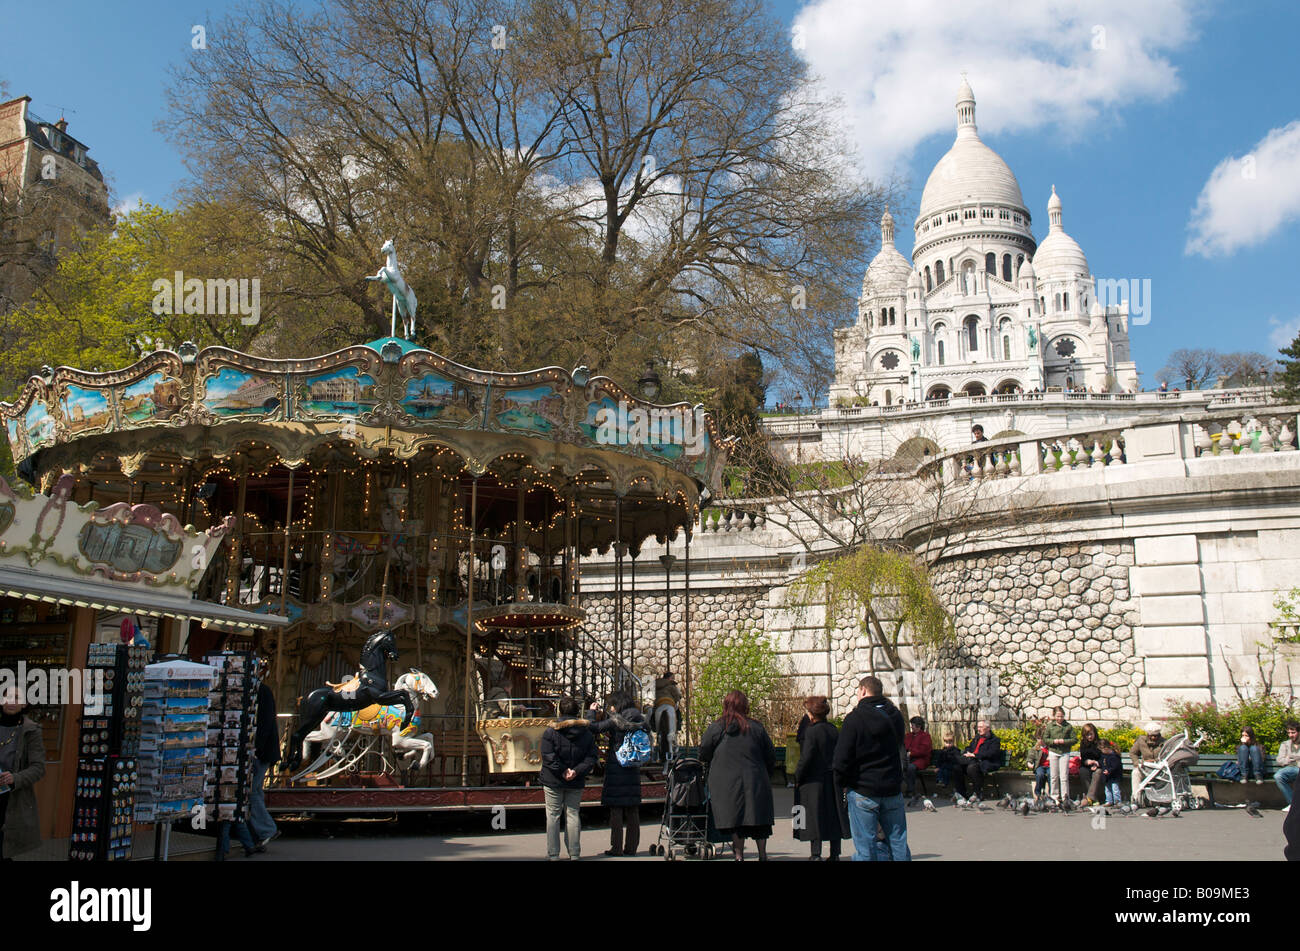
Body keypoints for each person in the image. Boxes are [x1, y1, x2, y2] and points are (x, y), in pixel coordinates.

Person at [832, 676, 909, 862]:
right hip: (891, 788)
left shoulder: (855, 718)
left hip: (863, 788)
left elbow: (841, 757)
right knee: (898, 842)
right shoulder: (895, 715)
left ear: (863, 691)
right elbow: (899, 745)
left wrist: (842, 782)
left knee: (866, 847)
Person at [699, 689, 776, 861]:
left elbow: (704, 751)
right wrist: (766, 774)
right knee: (759, 818)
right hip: (755, 780)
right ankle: (762, 854)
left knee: (735, 819)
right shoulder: (756, 727)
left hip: (726, 783)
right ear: (745, 706)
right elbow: (770, 755)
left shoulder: (717, 727)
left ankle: (739, 855)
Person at [586, 689, 648, 856]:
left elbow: (594, 728)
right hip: (633, 765)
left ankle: (617, 847)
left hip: (617, 765)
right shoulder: (640, 719)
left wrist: (591, 712)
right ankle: (631, 847)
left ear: (617, 704)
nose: (611, 708)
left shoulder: (616, 720)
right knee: (633, 809)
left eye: (612, 705)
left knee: (616, 809)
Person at [539, 697, 598, 860]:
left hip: (553, 778)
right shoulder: (586, 733)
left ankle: (553, 853)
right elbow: (592, 756)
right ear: (577, 712)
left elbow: (548, 755)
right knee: (572, 814)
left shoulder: (551, 731)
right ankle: (574, 852)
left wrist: (563, 770)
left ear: (560, 711)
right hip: (576, 779)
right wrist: (576, 771)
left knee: (553, 816)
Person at [793, 697, 847, 860]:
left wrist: (798, 775)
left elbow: (806, 756)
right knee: (833, 815)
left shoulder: (811, 731)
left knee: (813, 816)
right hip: (832, 778)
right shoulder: (833, 729)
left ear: (812, 714)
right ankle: (835, 852)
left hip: (813, 780)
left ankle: (815, 853)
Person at [0, 686, 45, 860]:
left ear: (25, 704)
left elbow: (38, 768)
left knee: (4, 849)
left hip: (10, 799)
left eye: (17, 698)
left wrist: (15, 778)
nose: (11, 701)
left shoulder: (30, 731)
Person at [250, 656, 281, 847]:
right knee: (255, 790)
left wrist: (256, 747)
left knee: (252, 790)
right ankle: (258, 829)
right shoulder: (260, 691)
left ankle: (265, 828)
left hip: (262, 751)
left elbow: (265, 723)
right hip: (262, 749)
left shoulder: (262, 692)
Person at [951, 720, 1002, 799]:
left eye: (981, 727)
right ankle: (961, 793)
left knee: (972, 767)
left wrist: (975, 755)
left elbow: (991, 753)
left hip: (986, 762)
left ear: (988, 728)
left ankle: (977, 793)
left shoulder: (994, 740)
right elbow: (970, 747)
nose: (978, 729)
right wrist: (966, 753)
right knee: (956, 767)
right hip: (973, 760)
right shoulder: (977, 738)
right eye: (978, 727)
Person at [1043, 706, 1076, 802]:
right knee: (1054, 776)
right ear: (1054, 716)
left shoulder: (1068, 726)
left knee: (1064, 776)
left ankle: (1066, 797)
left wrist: (1064, 741)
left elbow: (1074, 739)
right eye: (1057, 716)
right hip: (1053, 752)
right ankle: (1054, 797)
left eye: (1061, 716)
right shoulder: (1050, 726)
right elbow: (1045, 739)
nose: (1059, 718)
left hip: (1064, 752)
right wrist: (1054, 741)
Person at [1129, 722, 1163, 805]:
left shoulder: (1164, 742)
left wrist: (1155, 761)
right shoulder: (1141, 740)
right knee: (1135, 772)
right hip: (1145, 768)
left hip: (1159, 769)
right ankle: (1136, 798)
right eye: (1151, 735)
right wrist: (1138, 763)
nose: (1153, 737)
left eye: (1156, 736)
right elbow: (1133, 753)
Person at [652, 671, 682, 762]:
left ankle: (653, 727)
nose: (673, 679)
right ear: (669, 678)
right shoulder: (671, 685)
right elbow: (677, 697)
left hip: (658, 704)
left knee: (652, 715)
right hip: (669, 703)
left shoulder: (656, 685)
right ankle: (678, 727)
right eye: (672, 678)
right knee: (678, 713)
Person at [902, 716, 932, 800]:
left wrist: (911, 752)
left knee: (910, 768)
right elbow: (904, 746)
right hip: (908, 759)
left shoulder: (925, 736)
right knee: (900, 767)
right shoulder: (908, 735)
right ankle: (908, 788)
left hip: (920, 760)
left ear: (919, 726)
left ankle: (910, 790)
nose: (912, 727)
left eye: (913, 726)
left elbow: (924, 750)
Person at [1076, 723, 1105, 806]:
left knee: (1097, 773)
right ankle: (1094, 798)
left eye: (1091, 734)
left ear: (1094, 733)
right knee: (1083, 772)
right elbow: (1083, 757)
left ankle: (1089, 797)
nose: (1089, 737)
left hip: (1098, 766)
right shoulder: (1083, 743)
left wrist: (1096, 764)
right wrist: (1087, 762)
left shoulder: (1099, 743)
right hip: (1087, 766)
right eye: (1087, 735)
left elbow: (1102, 757)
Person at [1275, 721, 1300, 809]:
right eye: (1289, 733)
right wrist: (1288, 759)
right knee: (1278, 776)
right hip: (1290, 769)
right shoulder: (1285, 744)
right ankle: (1293, 804)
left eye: (1293, 733)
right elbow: (1279, 760)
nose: (1290, 735)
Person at [1100, 741, 1124, 805]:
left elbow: (1115, 766)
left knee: (1115, 789)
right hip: (1107, 776)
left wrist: (1109, 770)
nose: (1101, 751)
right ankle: (1109, 800)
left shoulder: (1114, 756)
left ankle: (1117, 801)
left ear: (1106, 748)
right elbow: (1102, 763)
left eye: (1101, 749)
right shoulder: (1104, 756)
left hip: (1114, 776)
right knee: (1107, 789)